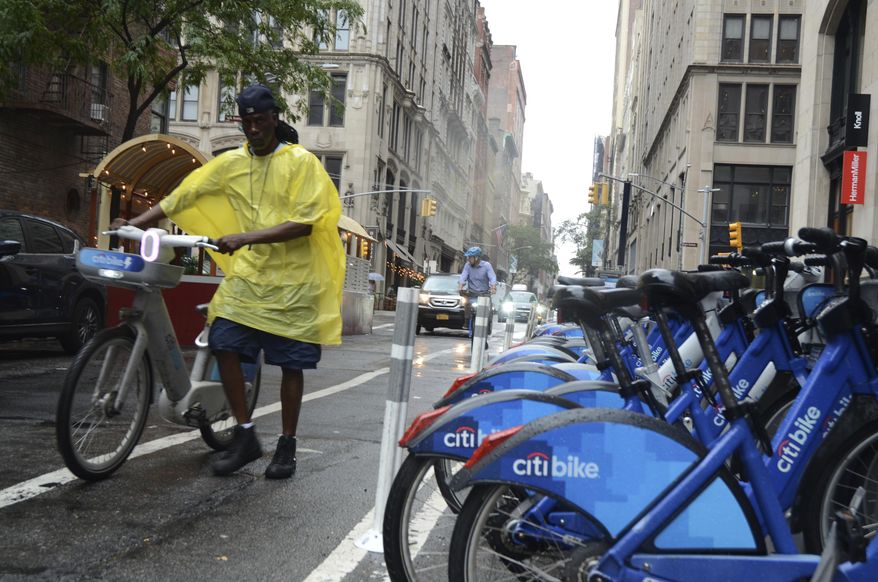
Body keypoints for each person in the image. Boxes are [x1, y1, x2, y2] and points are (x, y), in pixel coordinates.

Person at [110, 84, 344, 479]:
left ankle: (286, 445)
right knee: (224, 342)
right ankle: (245, 434)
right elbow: (183, 196)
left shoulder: (302, 162)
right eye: (247, 122)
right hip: (250, 277)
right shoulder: (231, 162)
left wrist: (245, 237)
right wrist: (131, 224)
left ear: (274, 118)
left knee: (289, 365)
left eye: (259, 121)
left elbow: (305, 223)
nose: (253, 129)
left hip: (296, 281)